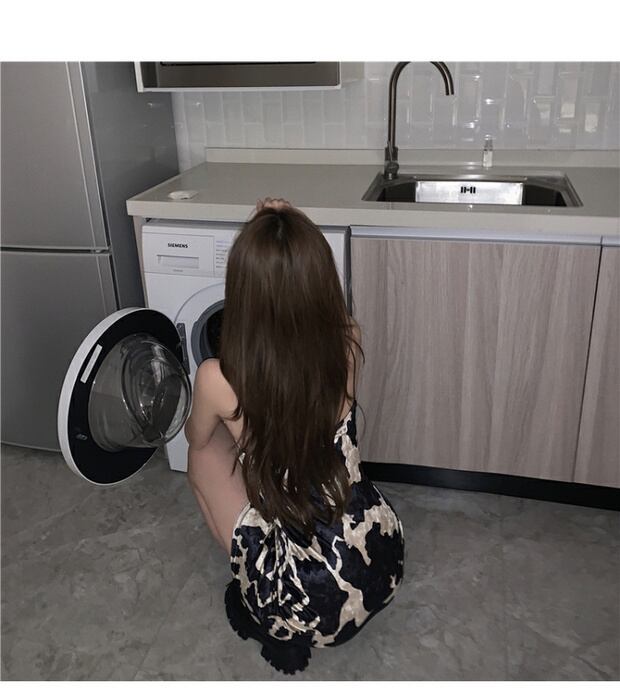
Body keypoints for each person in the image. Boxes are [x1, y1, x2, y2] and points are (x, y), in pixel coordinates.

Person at [184, 198, 405, 675]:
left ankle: (264, 611)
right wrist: (290, 227)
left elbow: (195, 436)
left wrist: (238, 434)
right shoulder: (347, 339)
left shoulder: (217, 379)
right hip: (381, 558)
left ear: (242, 293)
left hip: (306, 604)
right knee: (289, 461)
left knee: (202, 453)